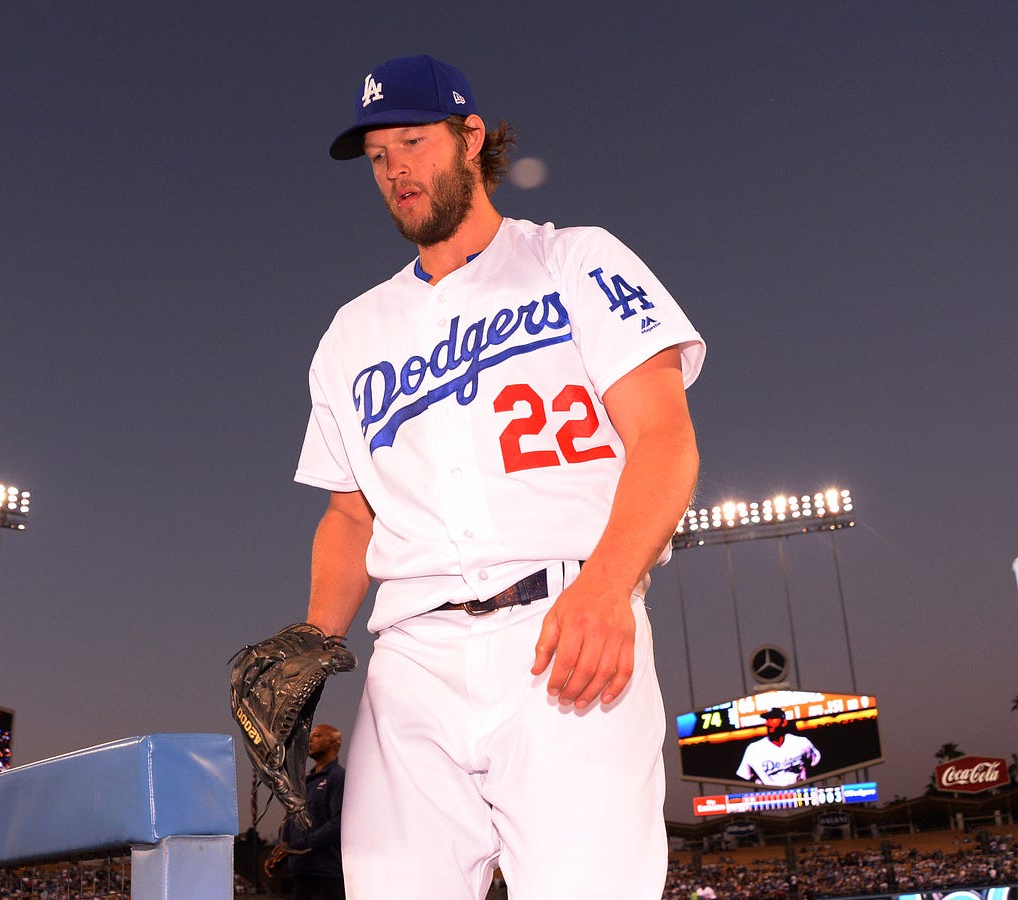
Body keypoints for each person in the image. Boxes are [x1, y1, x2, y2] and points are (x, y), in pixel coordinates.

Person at [295, 54, 705, 898]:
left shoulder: (577, 261)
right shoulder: (350, 333)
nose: (395, 168)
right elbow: (349, 517)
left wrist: (605, 586)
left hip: (566, 632)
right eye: (377, 156)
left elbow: (665, 439)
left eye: (412, 140)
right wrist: (314, 641)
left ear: (471, 137)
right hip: (408, 661)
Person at [274, 724, 346, 900]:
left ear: (333, 743)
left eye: (317, 736)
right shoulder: (305, 782)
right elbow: (294, 819)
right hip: (302, 873)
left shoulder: (338, 777)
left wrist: (297, 846)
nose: (309, 740)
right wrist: (282, 850)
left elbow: (338, 822)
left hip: (327, 875)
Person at [735, 707, 821, 786]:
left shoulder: (801, 742)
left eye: (772, 718)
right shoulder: (754, 749)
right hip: (772, 798)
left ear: (784, 722)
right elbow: (744, 776)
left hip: (800, 793)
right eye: (767, 719)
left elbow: (815, 764)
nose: (768, 723)